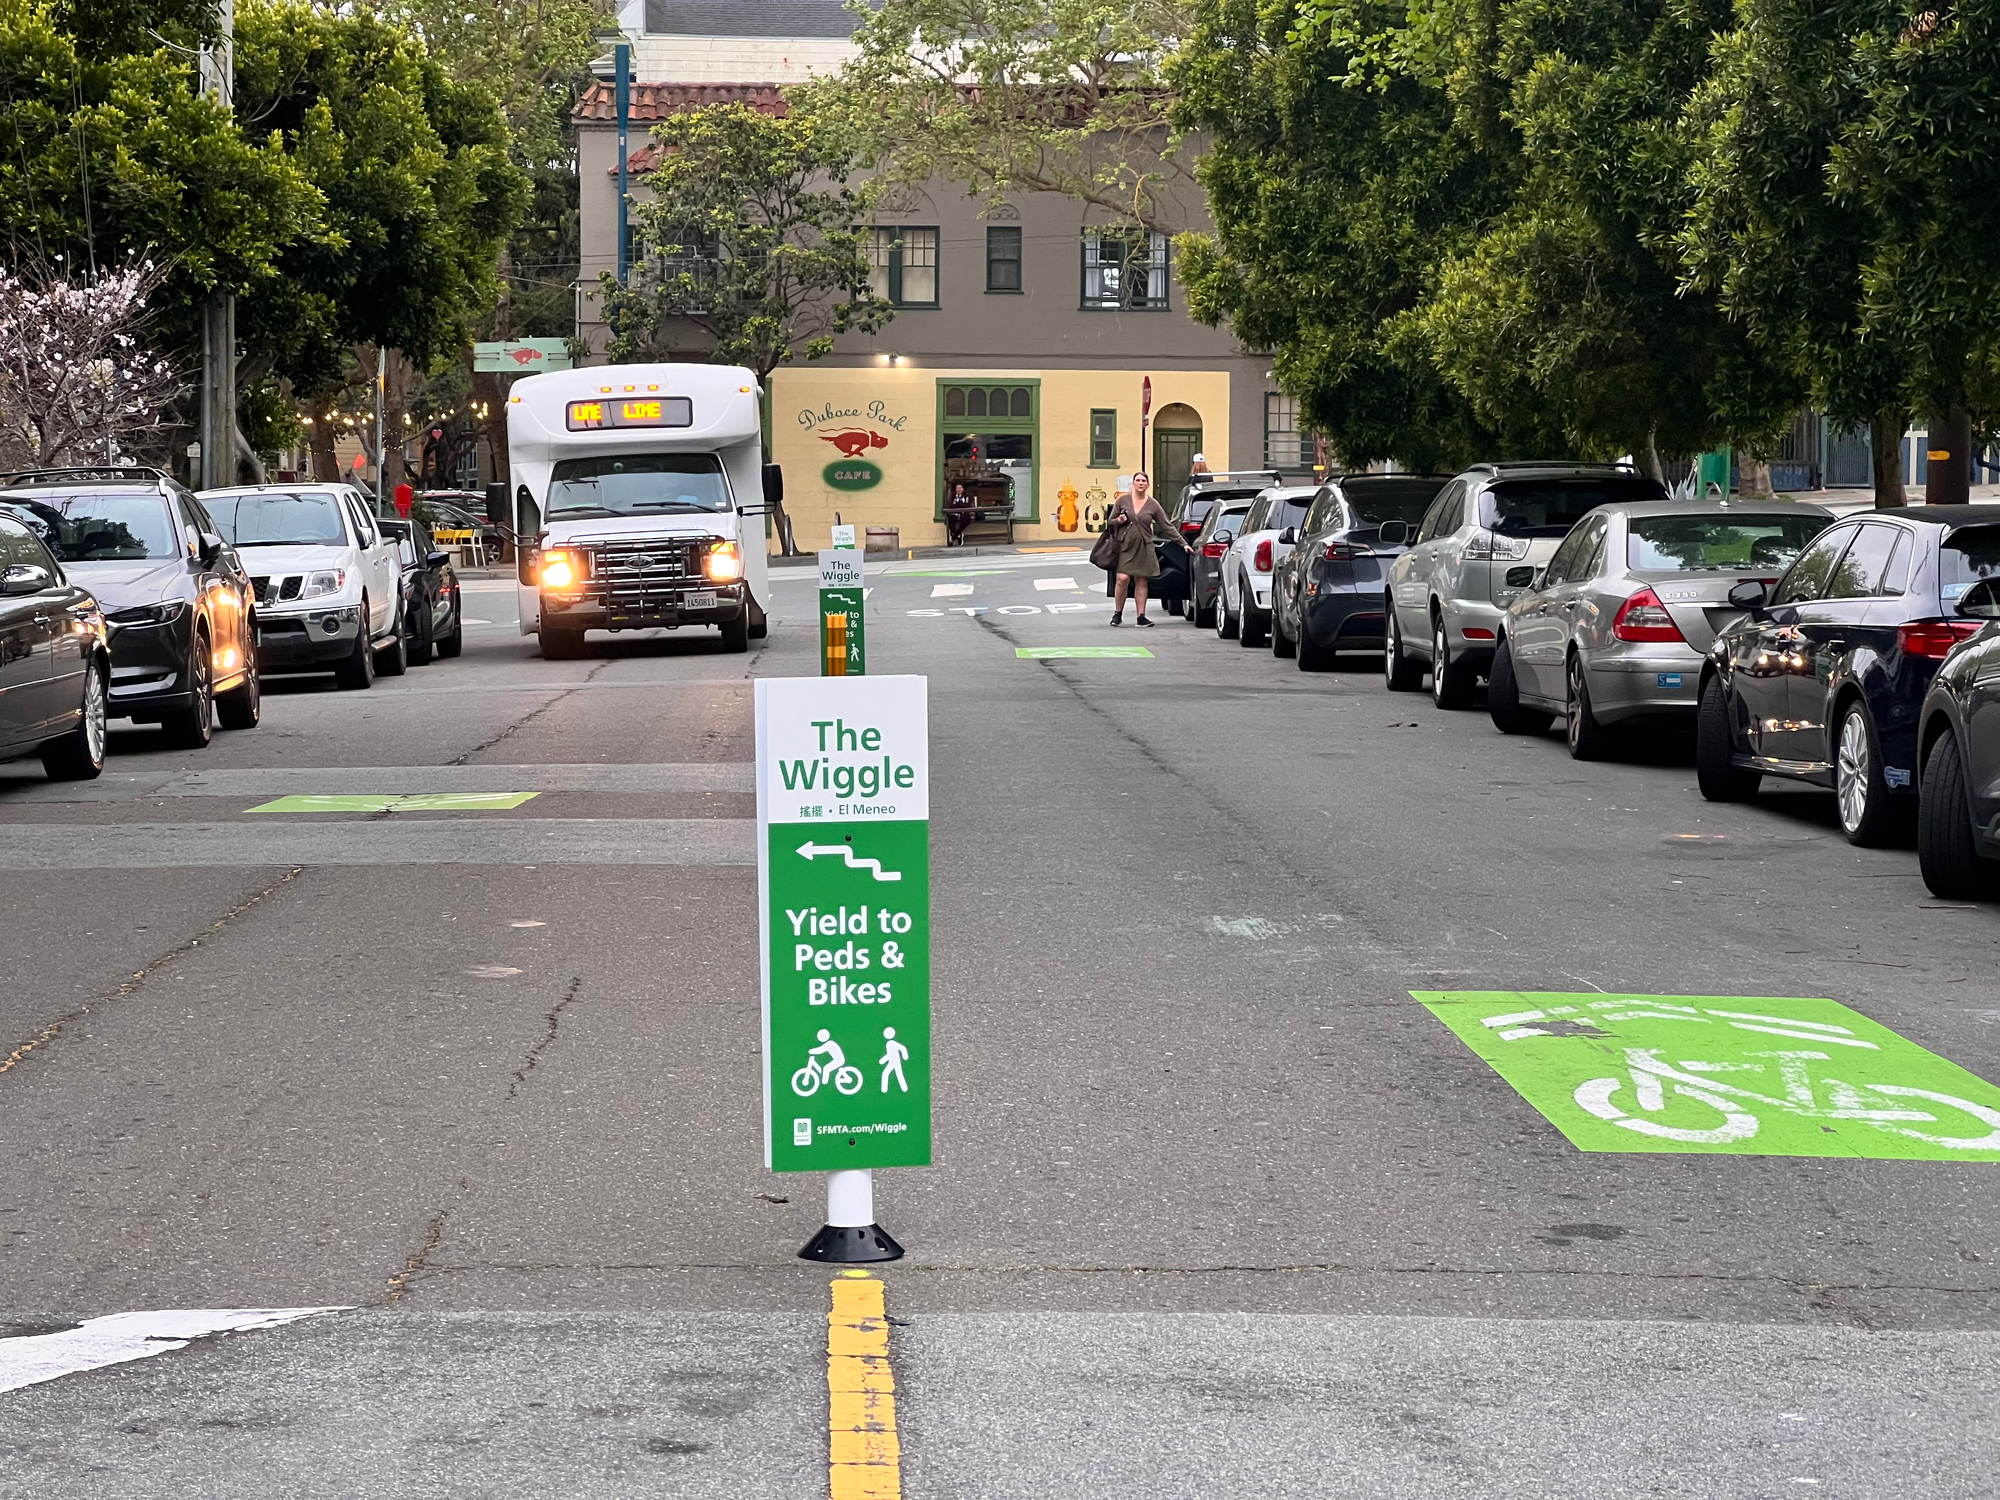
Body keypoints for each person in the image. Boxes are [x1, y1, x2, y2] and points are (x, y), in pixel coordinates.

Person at [1107, 471, 1188, 627]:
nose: (1140, 483)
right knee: (1122, 578)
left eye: (1143, 480)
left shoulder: (1153, 504)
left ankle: (1141, 617)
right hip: (1125, 545)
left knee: (1141, 580)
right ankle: (1117, 614)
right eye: (1137, 480)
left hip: (1144, 545)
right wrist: (1120, 520)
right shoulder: (1122, 501)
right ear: (1133, 483)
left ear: (1147, 484)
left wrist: (1182, 543)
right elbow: (1111, 523)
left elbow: (1166, 526)